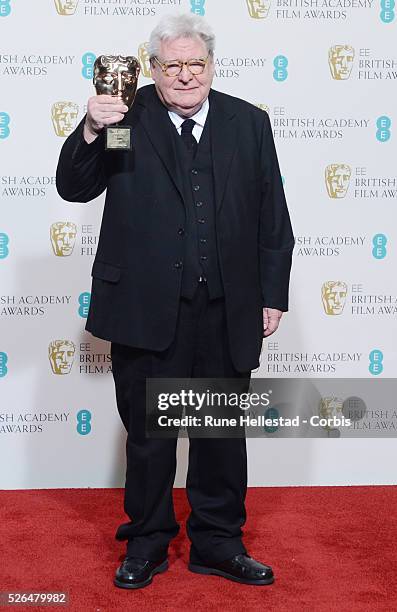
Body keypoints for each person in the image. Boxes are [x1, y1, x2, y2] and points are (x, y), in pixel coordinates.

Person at [56, 13, 294, 589]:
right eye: (172, 66)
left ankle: (218, 541)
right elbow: (77, 185)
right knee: (151, 435)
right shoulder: (126, 116)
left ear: (212, 66)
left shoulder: (247, 122)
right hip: (144, 305)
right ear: (153, 70)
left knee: (218, 435)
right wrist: (90, 128)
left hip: (225, 307)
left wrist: (271, 294)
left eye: (197, 64)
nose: (186, 76)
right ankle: (147, 541)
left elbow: (272, 216)